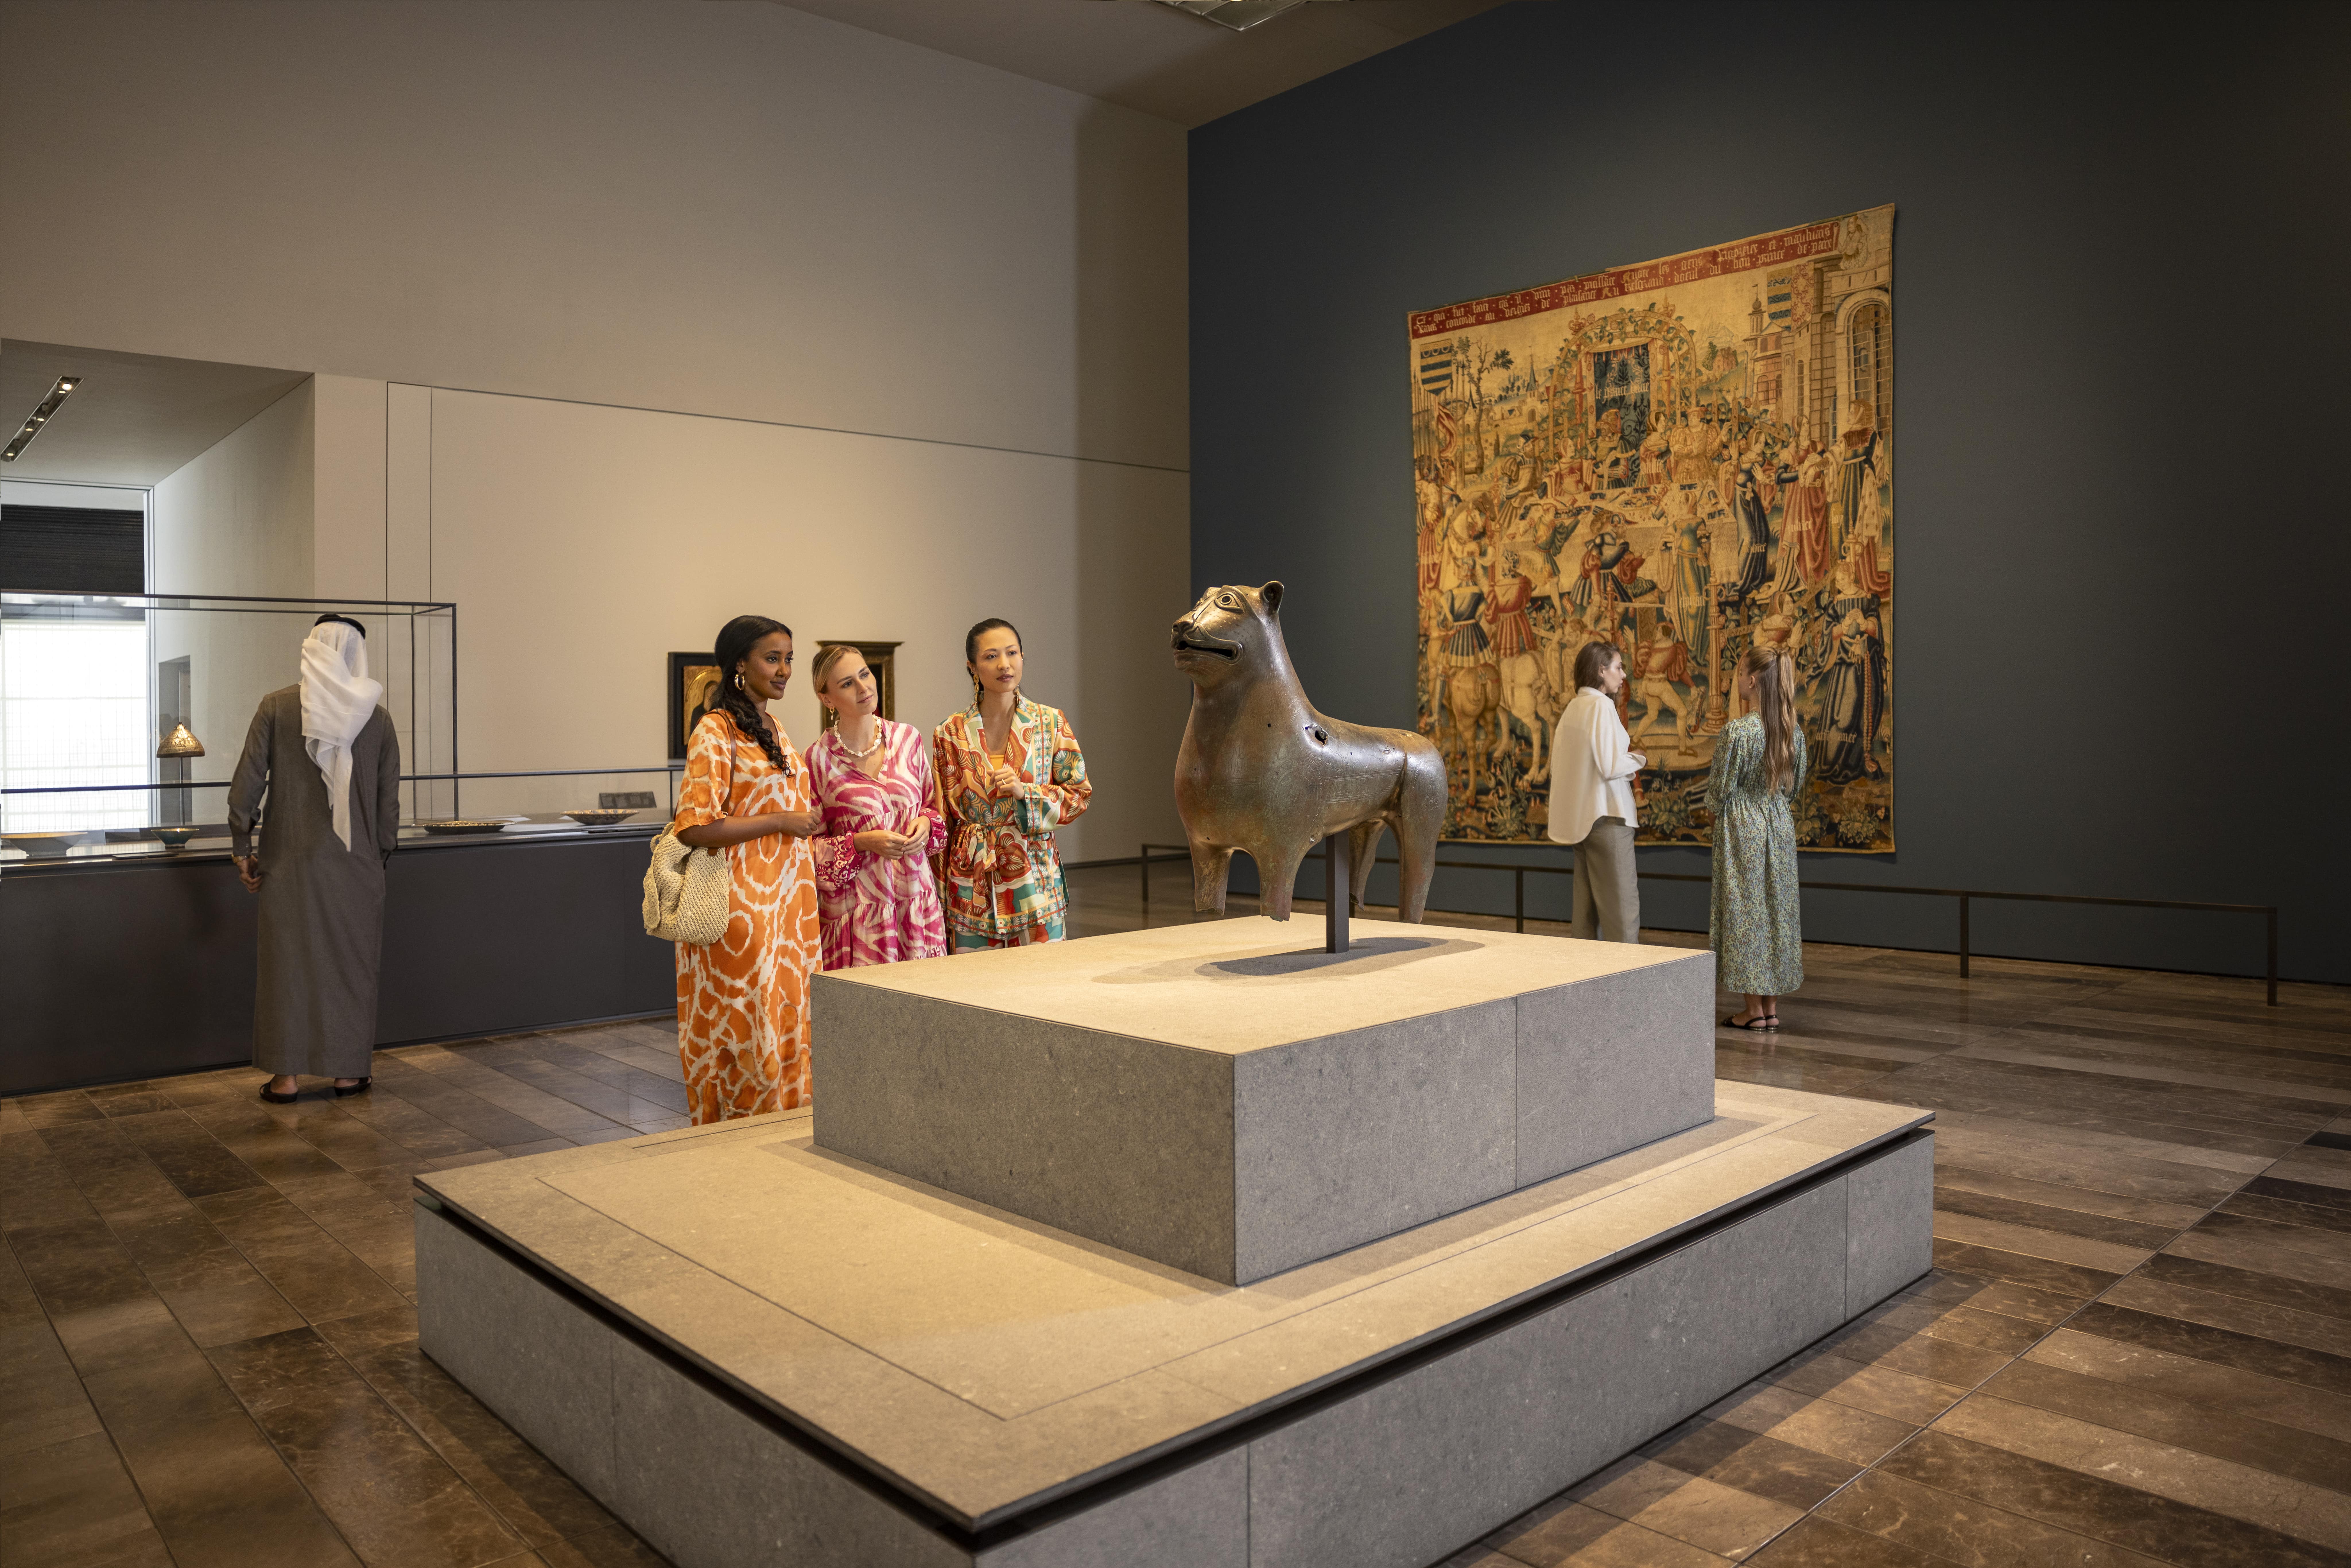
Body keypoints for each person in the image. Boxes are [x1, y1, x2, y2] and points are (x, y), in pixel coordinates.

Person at [230, 615, 400, 1103]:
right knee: (350, 967)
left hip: (287, 863)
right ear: (356, 654)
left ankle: (285, 1079)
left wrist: (243, 848)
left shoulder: (277, 707)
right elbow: (388, 804)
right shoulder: (378, 718)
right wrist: (380, 855)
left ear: (313, 648)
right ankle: (347, 1073)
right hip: (357, 865)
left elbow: (247, 786)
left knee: (287, 967)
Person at [670, 615, 822, 1121]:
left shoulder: (773, 727)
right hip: (740, 909)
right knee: (745, 1029)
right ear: (740, 664)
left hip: (788, 908)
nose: (784, 671)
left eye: (789, 659)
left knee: (787, 1022)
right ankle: (735, 1142)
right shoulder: (714, 730)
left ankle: (783, 1133)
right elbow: (694, 826)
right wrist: (779, 819)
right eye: (772, 659)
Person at [933, 618, 1091, 950]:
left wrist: (1026, 793)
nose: (1004, 664)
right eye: (991, 656)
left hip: (1034, 880)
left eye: (1012, 653)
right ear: (972, 666)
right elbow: (942, 816)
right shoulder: (949, 732)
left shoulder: (1050, 722)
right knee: (973, 976)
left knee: (1041, 974)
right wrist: (937, 893)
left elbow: (1078, 795)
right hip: (970, 884)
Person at [806, 643, 947, 970]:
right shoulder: (816, 760)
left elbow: (932, 808)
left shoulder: (908, 739)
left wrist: (926, 824)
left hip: (916, 904)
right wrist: (862, 842)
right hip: (858, 917)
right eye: (847, 683)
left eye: (865, 674)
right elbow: (809, 851)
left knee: (925, 995)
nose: (863, 688)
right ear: (827, 699)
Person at [1707, 645, 1806, 1029]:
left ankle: (1752, 1011)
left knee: (1746, 912)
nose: (1735, 680)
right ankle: (1770, 1009)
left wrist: (1718, 815)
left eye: (1738, 673)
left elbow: (1719, 791)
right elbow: (1793, 787)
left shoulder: (1737, 732)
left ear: (1751, 681)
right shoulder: (1792, 731)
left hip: (1742, 826)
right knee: (1776, 910)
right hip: (1778, 823)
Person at [1544, 639, 1644, 943]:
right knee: (1622, 917)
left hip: (1583, 824)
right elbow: (1610, 765)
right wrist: (1638, 758)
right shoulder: (1601, 706)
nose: (1623, 675)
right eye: (1618, 667)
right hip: (1609, 818)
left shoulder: (1573, 709)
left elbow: (1559, 768)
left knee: (1586, 920)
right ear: (1601, 671)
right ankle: (1629, 974)